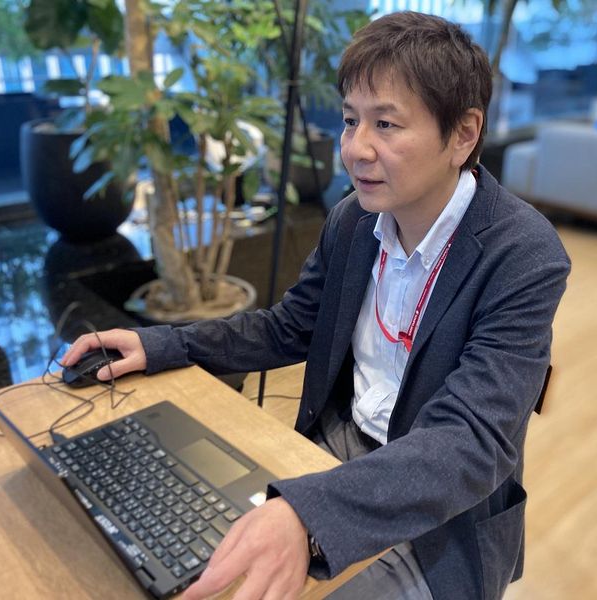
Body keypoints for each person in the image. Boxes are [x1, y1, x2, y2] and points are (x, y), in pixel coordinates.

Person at [62, 11, 570, 600]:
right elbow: (288, 327)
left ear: (463, 134)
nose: (355, 149)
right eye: (351, 120)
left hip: (439, 517)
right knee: (170, 550)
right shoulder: (354, 220)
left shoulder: (523, 254)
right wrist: (160, 344)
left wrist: (310, 514)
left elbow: (470, 442)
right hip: (334, 448)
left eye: (386, 124)